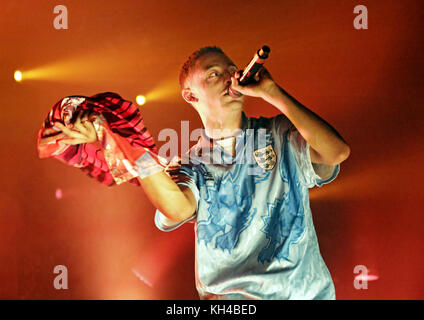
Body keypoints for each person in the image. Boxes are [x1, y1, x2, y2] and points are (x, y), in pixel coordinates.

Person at [55, 46, 350, 300]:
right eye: (213, 73)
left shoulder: (279, 134)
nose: (228, 78)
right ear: (189, 94)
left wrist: (272, 92)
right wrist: (123, 142)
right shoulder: (190, 164)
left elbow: (336, 152)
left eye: (232, 70)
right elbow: (177, 207)